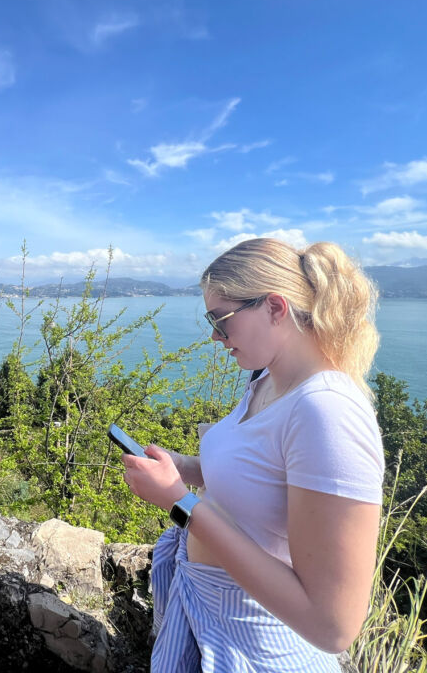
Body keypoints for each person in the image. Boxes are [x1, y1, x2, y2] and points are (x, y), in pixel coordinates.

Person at [121, 237, 384, 672]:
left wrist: (177, 502)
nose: (213, 335)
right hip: (206, 622)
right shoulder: (267, 380)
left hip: (255, 651)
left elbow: (332, 626)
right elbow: (261, 478)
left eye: (220, 319)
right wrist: (182, 468)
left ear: (275, 308)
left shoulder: (328, 412)